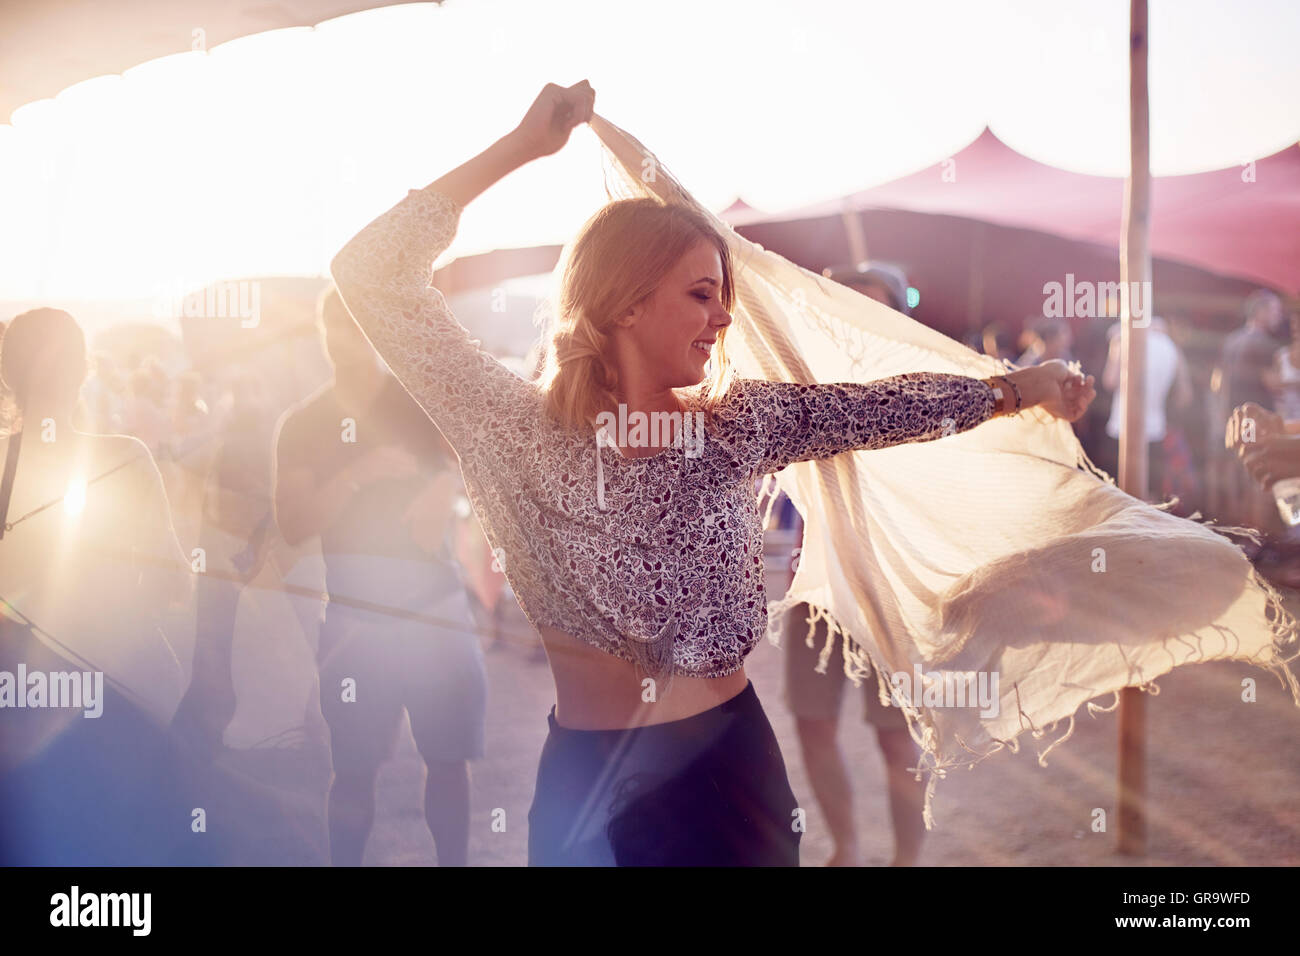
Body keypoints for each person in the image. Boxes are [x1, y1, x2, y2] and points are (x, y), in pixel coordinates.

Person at [329, 80, 1096, 866]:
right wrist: (522, 147)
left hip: (729, 776)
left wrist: (1011, 390)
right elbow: (370, 273)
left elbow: (881, 408)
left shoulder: (737, 424)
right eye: (702, 294)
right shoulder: (506, 426)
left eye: (724, 297)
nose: (724, 318)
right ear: (625, 303)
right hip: (587, 792)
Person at [272, 287, 487, 867]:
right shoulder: (307, 422)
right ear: (320, 333)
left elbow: (479, 460)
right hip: (355, 615)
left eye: (354, 324)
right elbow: (292, 524)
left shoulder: (417, 403)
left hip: (433, 603)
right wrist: (356, 476)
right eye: (331, 325)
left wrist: (448, 489)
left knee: (448, 761)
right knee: (354, 771)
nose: (343, 338)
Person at [786, 263, 925, 867]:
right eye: (847, 307)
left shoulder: (920, 396)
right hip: (814, 588)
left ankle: (906, 860)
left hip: (888, 593)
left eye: (871, 308)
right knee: (812, 726)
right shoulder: (805, 389)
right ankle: (845, 848)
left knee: (898, 741)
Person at [1099, 315, 1191, 501]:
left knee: (1117, 495)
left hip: (1122, 428)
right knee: (1150, 496)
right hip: (1156, 429)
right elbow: (1184, 396)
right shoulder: (1172, 348)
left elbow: (1110, 381)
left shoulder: (1124, 341)